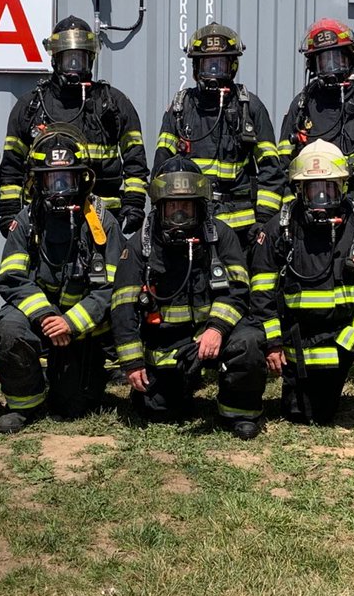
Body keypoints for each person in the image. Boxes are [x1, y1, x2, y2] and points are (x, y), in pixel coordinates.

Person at [240, 140, 354, 446]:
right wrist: (273, 343)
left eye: (329, 187)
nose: (322, 196)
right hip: (309, 333)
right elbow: (261, 293)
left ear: (342, 186)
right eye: (313, 188)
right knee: (309, 414)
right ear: (300, 190)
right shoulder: (280, 228)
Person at [110, 157, 264, 438]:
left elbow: (239, 290)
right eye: (172, 207)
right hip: (168, 341)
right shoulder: (139, 247)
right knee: (159, 412)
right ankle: (175, 387)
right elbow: (122, 309)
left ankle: (238, 411)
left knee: (249, 341)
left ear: (200, 206)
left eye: (186, 206)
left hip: (214, 334)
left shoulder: (221, 235)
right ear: (160, 207)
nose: (179, 215)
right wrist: (132, 364)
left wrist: (216, 328)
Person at [0, 126, 124, 433]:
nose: (61, 188)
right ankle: (25, 406)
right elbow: (11, 278)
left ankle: (76, 379)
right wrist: (46, 314)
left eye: (68, 178)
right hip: (41, 319)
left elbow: (112, 289)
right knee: (8, 328)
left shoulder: (102, 223)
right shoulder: (27, 220)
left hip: (81, 328)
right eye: (52, 179)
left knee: (72, 406)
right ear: (37, 182)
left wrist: (71, 322)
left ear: (83, 180)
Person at [0, 16, 148, 239]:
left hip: (103, 217)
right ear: (55, 60)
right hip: (43, 218)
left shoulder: (114, 104)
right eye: (69, 59)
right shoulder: (31, 107)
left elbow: (135, 159)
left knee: (109, 273)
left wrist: (134, 203)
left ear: (91, 59)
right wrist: (9, 211)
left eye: (80, 59)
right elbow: (11, 167)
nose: (74, 67)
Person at [153, 24, 285, 246]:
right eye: (208, 65)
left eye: (220, 64)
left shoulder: (250, 108)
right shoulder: (180, 108)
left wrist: (263, 220)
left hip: (242, 228)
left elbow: (271, 170)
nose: (214, 72)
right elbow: (161, 169)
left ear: (232, 67)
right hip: (190, 221)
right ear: (196, 68)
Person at [278, 18, 354, 224]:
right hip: (312, 206)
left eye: (338, 59)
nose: (331, 67)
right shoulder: (302, 105)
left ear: (351, 58)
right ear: (312, 64)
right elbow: (283, 164)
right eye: (324, 61)